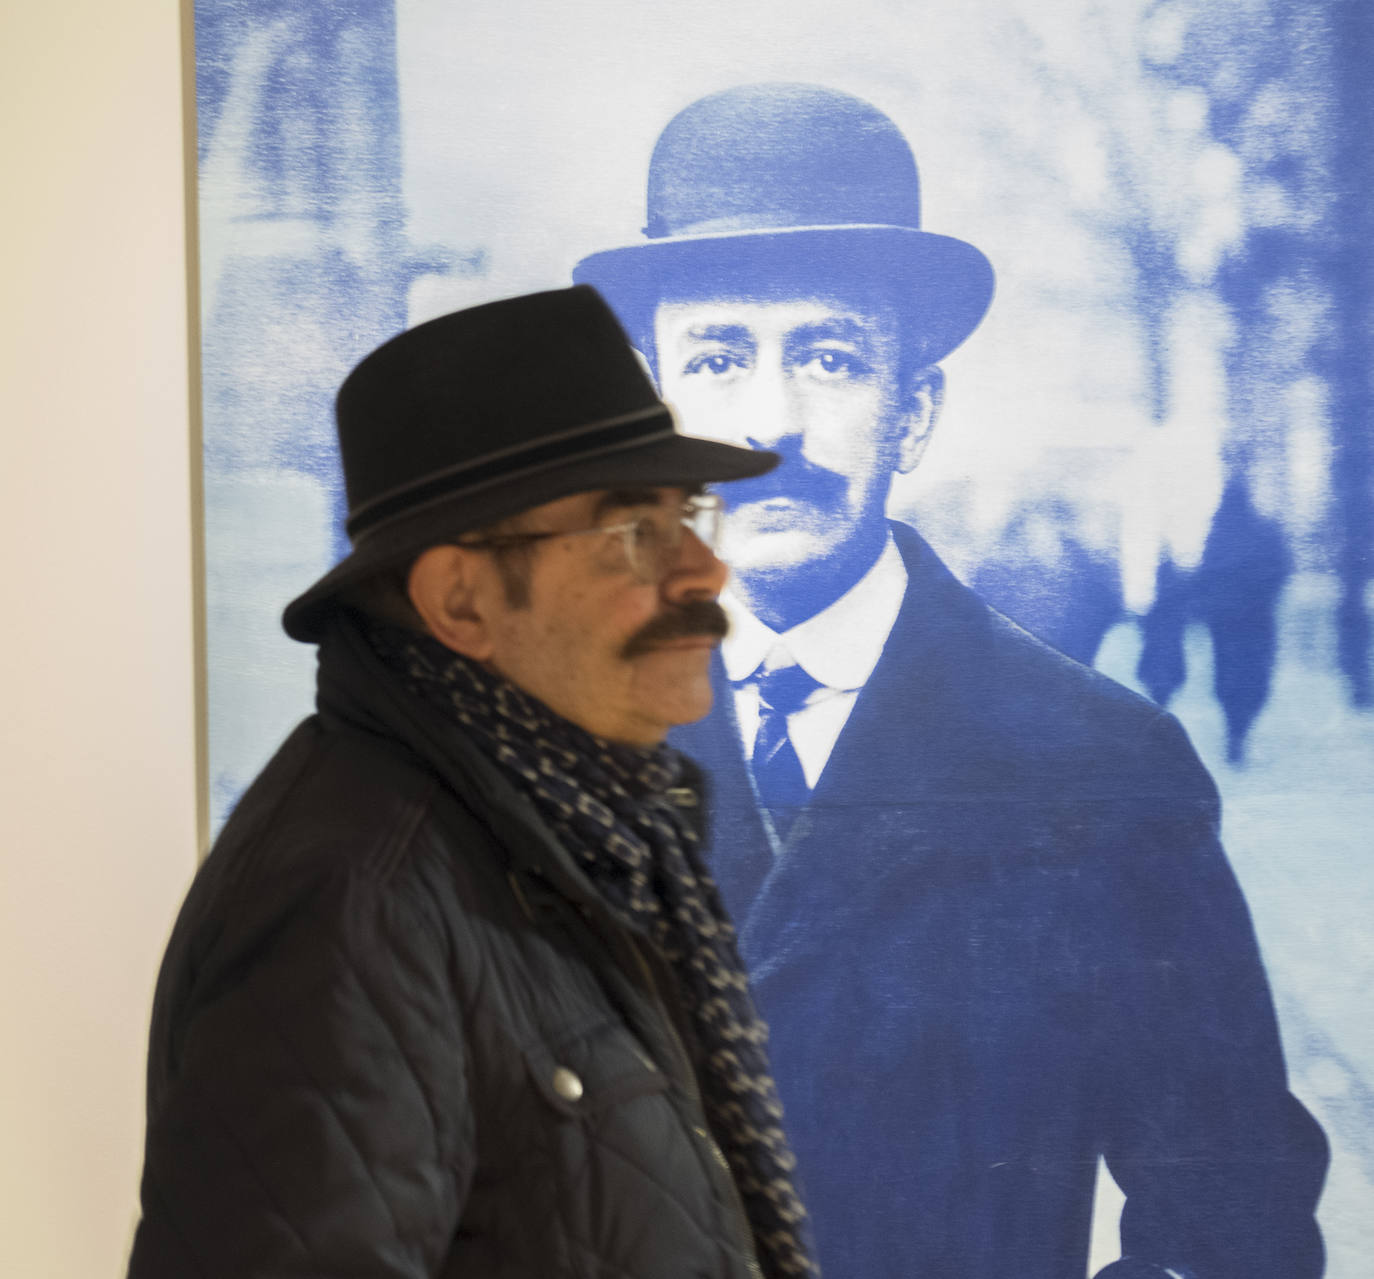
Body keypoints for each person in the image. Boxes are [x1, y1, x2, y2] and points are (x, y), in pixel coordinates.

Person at [574, 83, 1327, 1279]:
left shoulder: (1095, 764)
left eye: (830, 357)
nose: (771, 423)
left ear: (913, 413)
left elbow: (1234, 1219)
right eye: (718, 359)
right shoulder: (547, 750)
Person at [126, 285, 819, 1279]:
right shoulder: (356, 904)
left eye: (690, 515)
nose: (706, 569)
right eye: (636, 530)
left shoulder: (594, 839)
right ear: (461, 599)